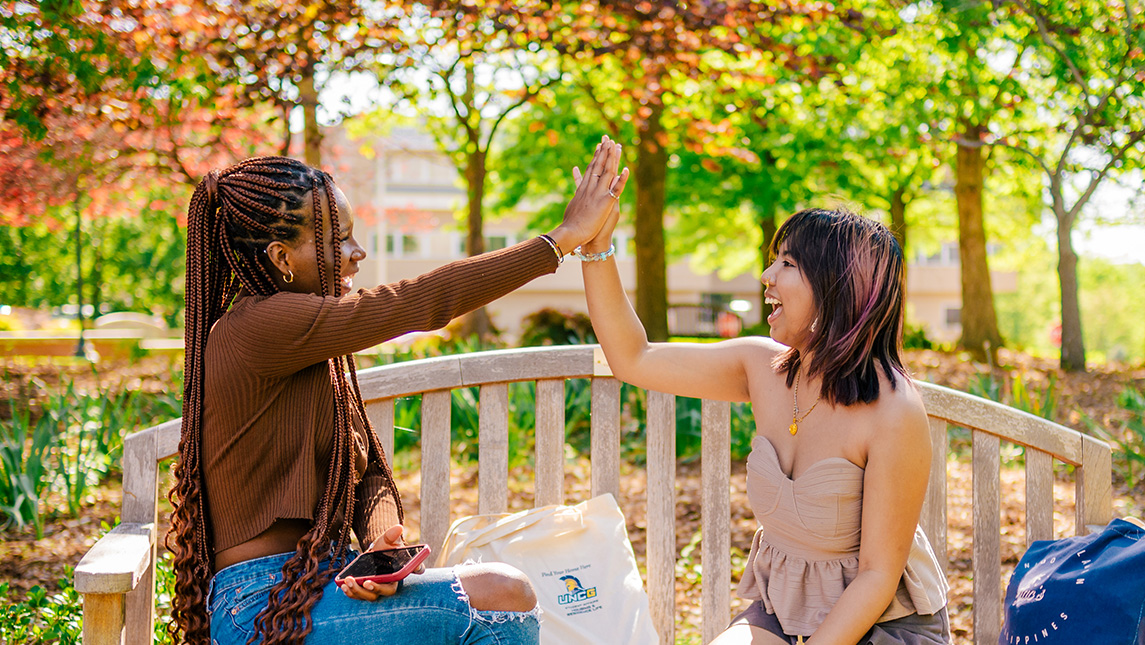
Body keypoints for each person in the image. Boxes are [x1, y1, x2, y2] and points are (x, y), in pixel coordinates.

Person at [169, 138, 629, 645]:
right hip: (260, 605)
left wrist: (378, 543)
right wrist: (559, 241)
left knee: (502, 592)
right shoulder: (256, 328)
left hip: (319, 583)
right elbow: (418, 302)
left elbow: (370, 477)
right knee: (504, 594)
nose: (357, 253)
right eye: (337, 240)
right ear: (282, 256)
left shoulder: (317, 353)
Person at [578, 202, 951, 644]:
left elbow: (876, 577)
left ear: (838, 287)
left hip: (880, 625)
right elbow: (633, 358)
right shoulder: (763, 367)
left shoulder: (894, 411)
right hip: (784, 612)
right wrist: (596, 245)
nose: (766, 275)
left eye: (788, 263)